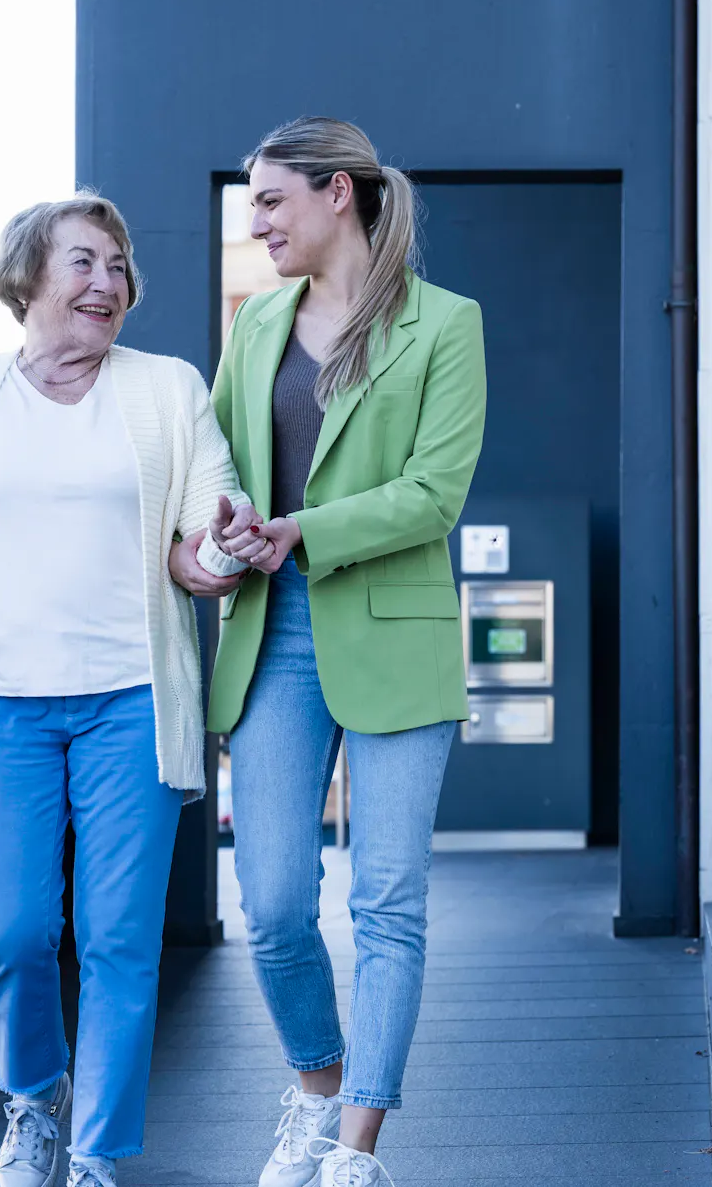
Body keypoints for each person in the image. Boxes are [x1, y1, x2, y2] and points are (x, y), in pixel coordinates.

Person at [0, 194, 259, 1187]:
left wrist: (220, 547)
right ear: (26, 278)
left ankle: (96, 1150)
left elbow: (212, 511)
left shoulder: (165, 387)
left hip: (129, 697)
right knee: (16, 929)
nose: (107, 284)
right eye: (83, 263)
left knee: (119, 935)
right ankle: (33, 1101)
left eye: (118, 268)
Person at [181, 116, 485, 1187]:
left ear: (338, 193)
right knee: (268, 899)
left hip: (390, 626)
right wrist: (227, 529)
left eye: (271, 200)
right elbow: (221, 469)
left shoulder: (445, 324)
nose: (256, 221)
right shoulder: (255, 325)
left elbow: (432, 494)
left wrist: (302, 528)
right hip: (274, 629)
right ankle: (316, 1089)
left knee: (387, 899)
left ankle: (356, 1150)